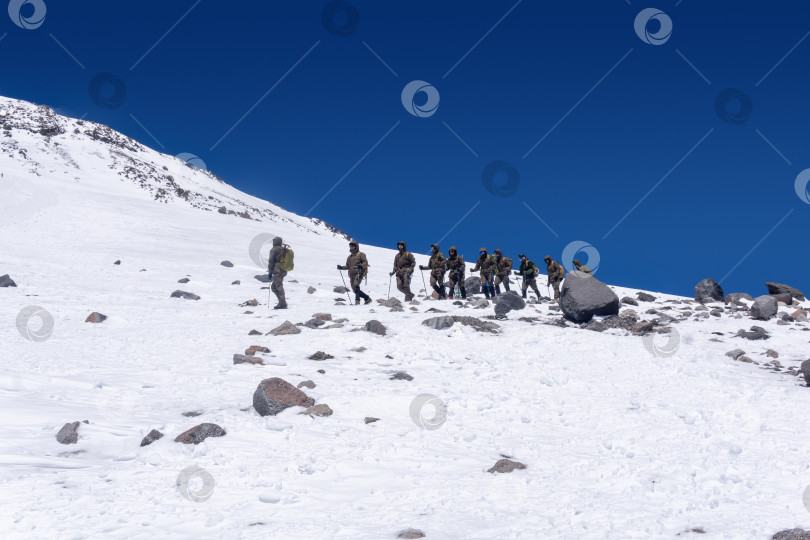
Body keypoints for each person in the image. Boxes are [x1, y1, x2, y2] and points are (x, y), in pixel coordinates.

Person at [267, 236, 288, 309]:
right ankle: (282, 302)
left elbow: (271, 261)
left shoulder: (274, 249)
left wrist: (270, 271)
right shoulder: (283, 250)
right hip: (283, 271)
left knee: (278, 286)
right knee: (274, 287)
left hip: (277, 271)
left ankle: (283, 303)